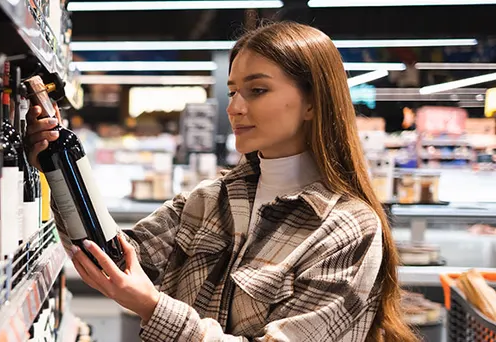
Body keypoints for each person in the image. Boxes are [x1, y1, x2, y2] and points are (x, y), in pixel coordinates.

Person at [25, 22, 416, 342]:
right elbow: (111, 258)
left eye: (257, 90)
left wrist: (153, 308)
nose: (235, 108)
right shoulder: (209, 200)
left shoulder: (347, 229)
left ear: (313, 102)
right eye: (232, 92)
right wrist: (53, 160)